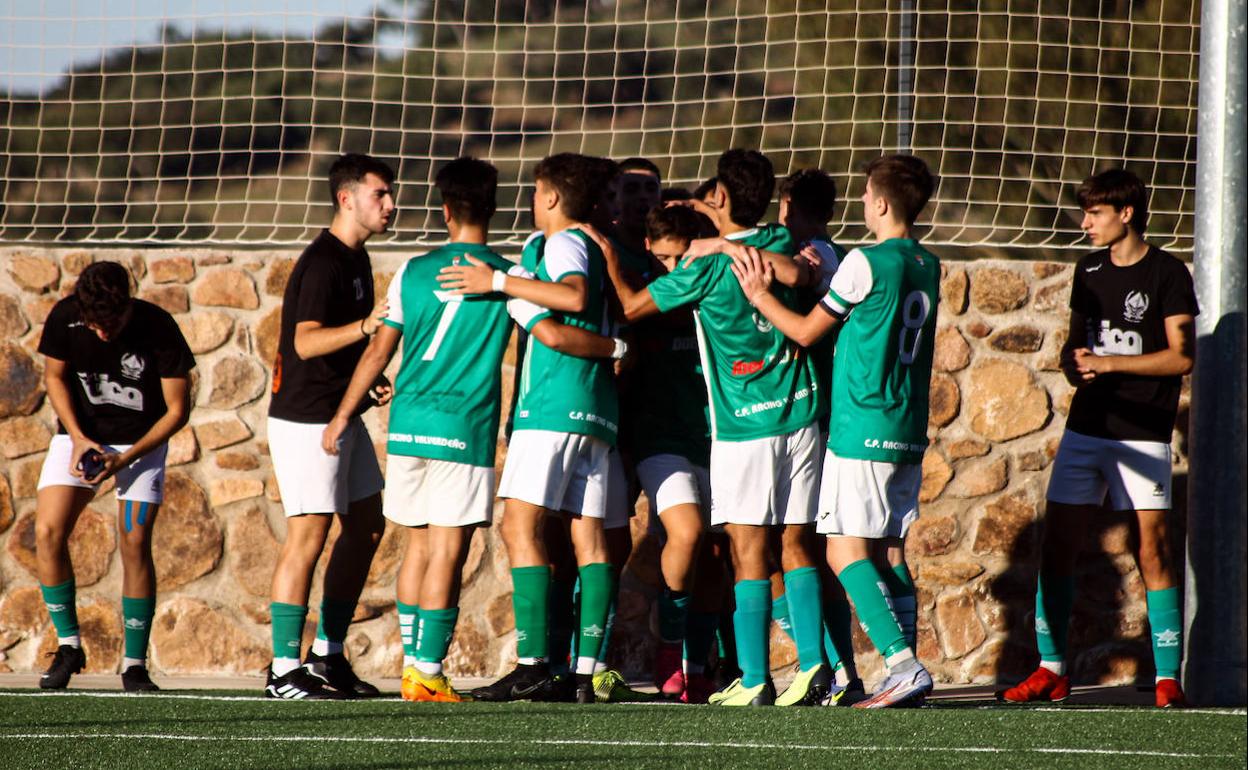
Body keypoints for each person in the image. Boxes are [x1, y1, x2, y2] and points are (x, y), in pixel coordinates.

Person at [323, 156, 623, 703]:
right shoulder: (506, 278)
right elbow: (553, 332)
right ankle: (430, 672)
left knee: (416, 545)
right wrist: (615, 349)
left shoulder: (413, 269)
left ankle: (414, 665)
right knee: (448, 550)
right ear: (493, 207)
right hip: (464, 429)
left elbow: (379, 348)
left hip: (409, 424)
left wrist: (344, 414)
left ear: (443, 211)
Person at [584, 148, 827, 707]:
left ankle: (755, 678)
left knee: (745, 549)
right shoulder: (784, 247)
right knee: (792, 545)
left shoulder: (707, 267)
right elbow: (800, 273)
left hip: (745, 424)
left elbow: (630, 306)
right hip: (802, 414)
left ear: (719, 198)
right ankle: (814, 666)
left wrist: (605, 248)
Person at [730, 154, 939, 708]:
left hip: (862, 423)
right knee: (891, 553)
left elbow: (803, 331)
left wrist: (759, 296)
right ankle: (905, 667)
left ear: (883, 203)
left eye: (869, 195)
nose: (864, 203)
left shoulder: (864, 262)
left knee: (844, 554)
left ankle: (902, 663)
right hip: (908, 426)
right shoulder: (927, 262)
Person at [999, 169, 1197, 709]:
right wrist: (1076, 367)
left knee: (1151, 550)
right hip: (1086, 430)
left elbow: (1183, 356)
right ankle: (1051, 669)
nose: (1085, 222)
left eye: (1095, 213)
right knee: (1057, 545)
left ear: (1126, 214)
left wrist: (1109, 363)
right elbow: (1074, 348)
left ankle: (1166, 677)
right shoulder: (1087, 269)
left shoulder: (1168, 273)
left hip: (1142, 437)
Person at [439, 153, 624, 704]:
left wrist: (498, 280)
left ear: (549, 197)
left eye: (535, 190)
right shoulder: (590, 245)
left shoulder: (560, 242)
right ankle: (584, 673)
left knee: (519, 527)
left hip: (552, 405)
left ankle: (533, 663)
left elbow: (572, 297)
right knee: (587, 537)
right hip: (595, 405)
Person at [264, 153, 395, 699]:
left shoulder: (357, 257)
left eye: (391, 194)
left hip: (340, 412)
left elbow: (340, 346)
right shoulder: (323, 262)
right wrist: (366, 326)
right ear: (347, 198)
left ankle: (326, 656)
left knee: (366, 525)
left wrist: (365, 382)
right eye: (380, 194)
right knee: (309, 534)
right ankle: (280, 670)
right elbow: (305, 341)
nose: (390, 204)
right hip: (305, 420)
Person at [34, 260, 194, 691]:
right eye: (95, 324)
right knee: (47, 532)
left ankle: (134, 664)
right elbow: (54, 376)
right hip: (80, 437)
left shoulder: (157, 326)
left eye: (113, 323)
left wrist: (124, 460)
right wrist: (80, 437)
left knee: (135, 539)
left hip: (140, 442)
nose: (103, 333)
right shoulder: (67, 317)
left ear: (128, 303)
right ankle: (70, 646)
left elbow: (178, 410)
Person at [632, 205, 722, 704]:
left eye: (681, 258)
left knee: (712, 554)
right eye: (664, 258)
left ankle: (699, 662)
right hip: (659, 438)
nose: (674, 269)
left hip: (714, 438)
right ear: (650, 250)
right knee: (684, 533)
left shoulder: (711, 283)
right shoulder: (648, 297)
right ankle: (667, 652)